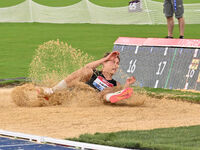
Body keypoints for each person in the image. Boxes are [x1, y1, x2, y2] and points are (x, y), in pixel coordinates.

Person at [39, 51, 136, 103]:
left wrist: (127, 84)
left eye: (117, 63)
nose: (116, 65)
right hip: (77, 94)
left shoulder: (115, 83)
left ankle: (110, 97)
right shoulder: (94, 73)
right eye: (112, 62)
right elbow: (87, 67)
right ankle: (52, 90)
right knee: (85, 70)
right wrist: (106, 58)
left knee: (110, 90)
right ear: (104, 64)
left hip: (96, 99)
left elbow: (123, 94)